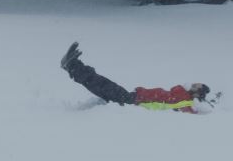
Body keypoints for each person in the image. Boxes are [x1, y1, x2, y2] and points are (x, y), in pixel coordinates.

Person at [60, 42, 211, 113]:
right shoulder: (185, 98)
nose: (190, 84)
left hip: (134, 103)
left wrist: (203, 102)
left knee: (101, 85)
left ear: (197, 93)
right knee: (101, 85)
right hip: (135, 98)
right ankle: (74, 65)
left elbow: (186, 104)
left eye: (195, 86)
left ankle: (73, 66)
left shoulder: (185, 99)